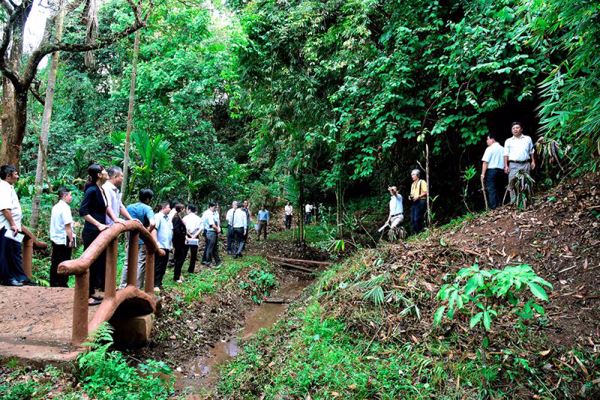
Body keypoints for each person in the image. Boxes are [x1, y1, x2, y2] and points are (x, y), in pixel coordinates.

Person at [80, 164, 115, 304]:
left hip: (100, 231)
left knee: (97, 263)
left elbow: (106, 208)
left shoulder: (101, 189)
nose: (107, 172)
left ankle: (92, 292)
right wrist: (98, 224)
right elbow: (83, 212)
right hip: (91, 231)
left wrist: (116, 219)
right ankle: (86, 295)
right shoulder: (92, 190)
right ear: (99, 175)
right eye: (104, 170)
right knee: (90, 262)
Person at [119, 188, 155, 289]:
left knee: (127, 262)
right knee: (140, 263)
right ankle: (137, 287)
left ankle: (122, 285)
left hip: (130, 239)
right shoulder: (147, 208)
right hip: (141, 240)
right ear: (148, 199)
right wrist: (147, 232)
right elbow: (153, 223)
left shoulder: (129, 207)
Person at [0, 165, 29, 286]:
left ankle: (20, 276)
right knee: (5, 253)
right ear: (8, 176)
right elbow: (5, 209)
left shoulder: (9, 187)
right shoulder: (4, 188)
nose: (17, 176)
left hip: (13, 228)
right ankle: (7, 278)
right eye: (15, 174)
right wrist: (13, 224)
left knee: (14, 251)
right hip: (6, 227)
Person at [504, 122, 535, 203]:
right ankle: (514, 202)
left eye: (517, 127)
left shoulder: (528, 138)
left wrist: (533, 161)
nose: (515, 129)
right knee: (512, 184)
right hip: (513, 165)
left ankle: (527, 201)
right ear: (511, 130)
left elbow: (531, 151)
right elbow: (505, 154)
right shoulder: (508, 141)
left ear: (521, 129)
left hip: (526, 164)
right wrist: (506, 166)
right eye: (513, 128)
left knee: (526, 183)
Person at [49, 187, 74, 287]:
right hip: (63, 238)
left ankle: (53, 282)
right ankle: (62, 282)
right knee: (65, 260)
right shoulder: (65, 208)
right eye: (70, 195)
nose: (71, 197)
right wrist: (71, 239)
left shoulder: (56, 207)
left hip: (55, 237)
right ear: (64, 195)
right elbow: (67, 226)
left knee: (55, 260)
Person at [481, 133, 505, 209]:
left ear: (492, 139)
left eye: (488, 139)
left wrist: (483, 174)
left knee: (492, 189)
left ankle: (494, 207)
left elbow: (485, 162)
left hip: (492, 171)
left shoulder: (489, 149)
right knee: (500, 188)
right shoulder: (503, 148)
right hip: (501, 171)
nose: (487, 141)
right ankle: (501, 205)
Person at [153, 202, 172, 291]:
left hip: (166, 245)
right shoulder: (158, 216)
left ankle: (159, 283)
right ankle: (155, 284)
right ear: (163, 207)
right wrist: (157, 244)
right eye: (169, 207)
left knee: (163, 266)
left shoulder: (168, 218)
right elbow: (154, 229)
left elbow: (170, 232)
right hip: (160, 245)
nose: (170, 209)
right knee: (158, 265)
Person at [183, 204, 202, 273]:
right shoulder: (199, 218)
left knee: (184, 252)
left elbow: (183, 228)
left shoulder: (185, 218)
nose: (186, 211)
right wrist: (194, 235)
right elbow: (200, 228)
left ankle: (180, 267)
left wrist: (189, 234)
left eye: (187, 209)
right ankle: (191, 269)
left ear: (189, 210)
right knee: (193, 254)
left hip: (187, 236)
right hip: (195, 236)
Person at [201, 202, 221, 266]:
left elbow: (217, 221)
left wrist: (219, 227)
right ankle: (208, 261)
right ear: (210, 207)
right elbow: (212, 224)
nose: (216, 208)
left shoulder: (215, 213)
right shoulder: (208, 213)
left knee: (212, 247)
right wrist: (218, 230)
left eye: (216, 207)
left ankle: (216, 261)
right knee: (210, 247)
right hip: (210, 232)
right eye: (215, 207)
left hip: (213, 231)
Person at [409, 169, 428, 234]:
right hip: (414, 202)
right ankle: (416, 234)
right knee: (412, 219)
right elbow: (412, 194)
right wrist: (410, 197)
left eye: (413, 174)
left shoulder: (422, 182)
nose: (412, 176)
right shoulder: (412, 184)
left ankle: (421, 232)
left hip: (421, 201)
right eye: (411, 174)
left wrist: (418, 196)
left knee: (417, 218)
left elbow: (426, 192)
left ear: (417, 175)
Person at [172, 203, 187, 283]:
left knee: (179, 258)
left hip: (179, 241)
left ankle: (178, 275)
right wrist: (184, 235)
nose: (184, 210)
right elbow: (176, 230)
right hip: (179, 241)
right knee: (179, 259)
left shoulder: (178, 217)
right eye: (184, 208)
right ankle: (176, 277)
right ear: (181, 209)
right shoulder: (176, 218)